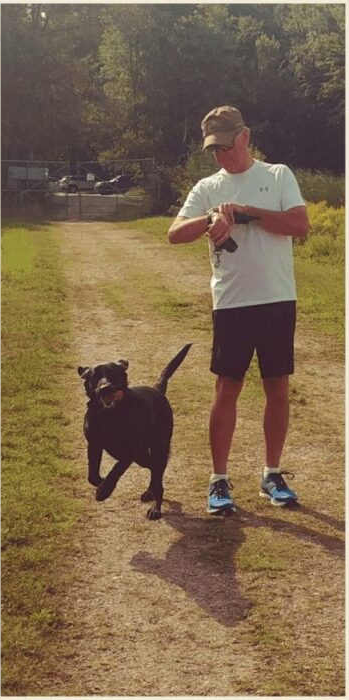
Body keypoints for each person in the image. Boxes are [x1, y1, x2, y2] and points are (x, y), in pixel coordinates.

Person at [167, 105, 309, 515]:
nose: (220, 156)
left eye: (226, 146)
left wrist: (245, 215)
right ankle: (218, 480)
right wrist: (209, 218)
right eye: (213, 149)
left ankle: (272, 473)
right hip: (231, 302)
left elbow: (299, 225)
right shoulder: (208, 186)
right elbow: (174, 234)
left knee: (277, 388)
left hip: (277, 298)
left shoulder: (278, 175)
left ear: (244, 136)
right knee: (226, 389)